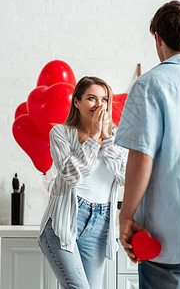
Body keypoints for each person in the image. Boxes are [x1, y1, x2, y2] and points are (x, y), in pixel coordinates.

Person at [115, 0, 180, 289]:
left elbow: (141, 158)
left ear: (158, 39)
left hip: (164, 239)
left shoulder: (150, 85)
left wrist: (125, 216)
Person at [38, 76, 127, 289]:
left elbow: (126, 176)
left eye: (104, 99)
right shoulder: (61, 133)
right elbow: (72, 176)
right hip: (63, 223)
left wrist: (106, 138)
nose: (99, 104)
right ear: (76, 102)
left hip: (100, 222)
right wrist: (93, 136)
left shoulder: (117, 137)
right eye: (91, 98)